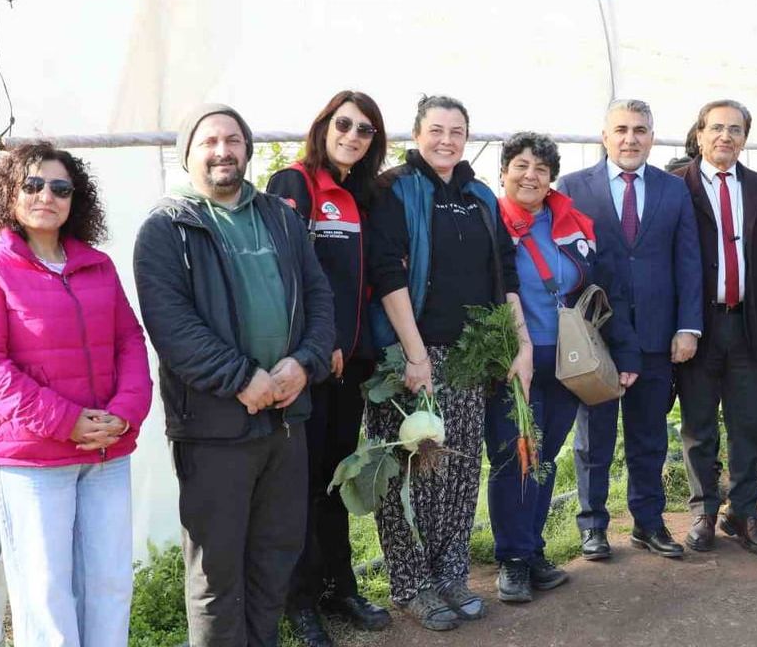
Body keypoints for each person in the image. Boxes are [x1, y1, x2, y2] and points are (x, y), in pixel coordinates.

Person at [134, 103, 335, 646]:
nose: (222, 151)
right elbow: (172, 326)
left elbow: (318, 297)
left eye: (232, 140)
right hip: (215, 428)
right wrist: (242, 377)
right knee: (217, 576)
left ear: (246, 149)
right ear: (189, 154)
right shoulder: (167, 228)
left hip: (286, 421)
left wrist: (304, 363)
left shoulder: (280, 217)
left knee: (273, 559)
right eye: (209, 142)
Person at [0, 142, 152, 646]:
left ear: (75, 200)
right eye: (34, 184)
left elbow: (130, 341)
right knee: (45, 596)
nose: (47, 195)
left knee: (109, 585)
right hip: (32, 462)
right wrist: (66, 421)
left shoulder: (99, 266)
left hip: (106, 453)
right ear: (9, 193)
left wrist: (125, 414)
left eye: (61, 188)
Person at [366, 95, 529, 630]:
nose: (447, 140)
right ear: (416, 134)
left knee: (457, 469)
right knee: (409, 471)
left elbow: (505, 272)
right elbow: (387, 270)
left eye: (457, 131)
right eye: (436, 129)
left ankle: (451, 573)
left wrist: (519, 344)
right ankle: (412, 584)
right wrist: (415, 355)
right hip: (408, 354)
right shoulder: (394, 188)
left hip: (468, 355)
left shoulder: (480, 193)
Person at [488, 132, 641, 603]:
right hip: (515, 360)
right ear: (504, 172)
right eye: (520, 165)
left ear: (552, 176)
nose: (530, 175)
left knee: (546, 455)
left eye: (540, 168)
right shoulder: (492, 222)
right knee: (516, 455)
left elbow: (603, 288)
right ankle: (512, 560)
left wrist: (625, 353)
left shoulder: (573, 221)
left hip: (567, 360)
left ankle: (532, 550)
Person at [265, 90, 391, 645]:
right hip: (310, 365)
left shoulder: (364, 194)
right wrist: (320, 344)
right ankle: (299, 600)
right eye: (344, 124)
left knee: (338, 482)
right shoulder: (294, 184)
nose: (352, 136)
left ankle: (340, 585)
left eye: (365, 130)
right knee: (302, 483)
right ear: (323, 125)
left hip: (353, 366)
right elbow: (287, 276)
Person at [558, 98, 703, 560]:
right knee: (593, 438)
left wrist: (688, 327)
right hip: (597, 336)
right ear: (604, 136)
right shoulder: (572, 188)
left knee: (649, 436)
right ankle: (593, 526)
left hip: (658, 335)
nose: (630, 138)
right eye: (620, 129)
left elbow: (689, 262)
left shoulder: (672, 189)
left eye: (640, 130)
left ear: (652, 137)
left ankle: (648, 522)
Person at [670, 100, 757, 557]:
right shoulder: (674, 187)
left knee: (747, 422)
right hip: (696, 327)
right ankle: (704, 510)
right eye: (716, 128)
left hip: (747, 324)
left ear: (745, 137)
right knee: (699, 424)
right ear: (699, 134)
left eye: (735, 129)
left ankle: (744, 511)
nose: (725, 136)